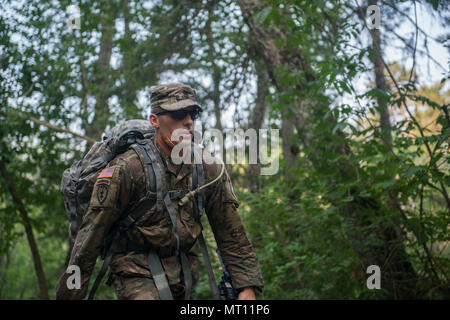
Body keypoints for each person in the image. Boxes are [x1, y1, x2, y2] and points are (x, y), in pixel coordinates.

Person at [56, 83, 264, 300]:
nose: (188, 121)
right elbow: (88, 242)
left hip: (184, 270)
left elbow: (230, 233)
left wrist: (246, 287)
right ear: (154, 120)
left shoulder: (207, 167)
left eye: (192, 114)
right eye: (177, 114)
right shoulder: (127, 169)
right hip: (133, 269)